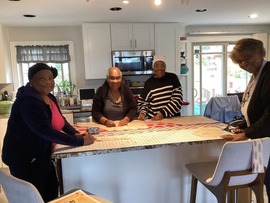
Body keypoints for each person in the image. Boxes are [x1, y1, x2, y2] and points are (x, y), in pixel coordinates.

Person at [1, 63, 96, 202]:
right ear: (31, 81)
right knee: (34, 196)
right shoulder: (28, 102)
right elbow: (45, 131)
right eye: (42, 78)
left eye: (50, 78)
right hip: (25, 158)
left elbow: (61, 120)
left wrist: (74, 133)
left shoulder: (49, 97)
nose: (47, 82)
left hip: (42, 155)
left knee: (51, 190)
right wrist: (79, 141)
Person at [221, 38, 270, 201]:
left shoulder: (269, 73)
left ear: (260, 52)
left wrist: (247, 132)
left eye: (247, 57)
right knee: (264, 180)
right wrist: (244, 125)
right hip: (261, 139)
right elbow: (256, 109)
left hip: (268, 139)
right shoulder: (256, 74)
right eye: (240, 61)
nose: (244, 63)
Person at [137, 56, 183, 120]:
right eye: (157, 66)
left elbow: (177, 99)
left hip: (173, 118)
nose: (160, 68)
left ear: (165, 67)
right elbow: (143, 102)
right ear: (153, 67)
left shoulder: (172, 78)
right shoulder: (149, 82)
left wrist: (162, 113)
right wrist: (142, 113)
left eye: (162, 66)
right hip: (154, 120)